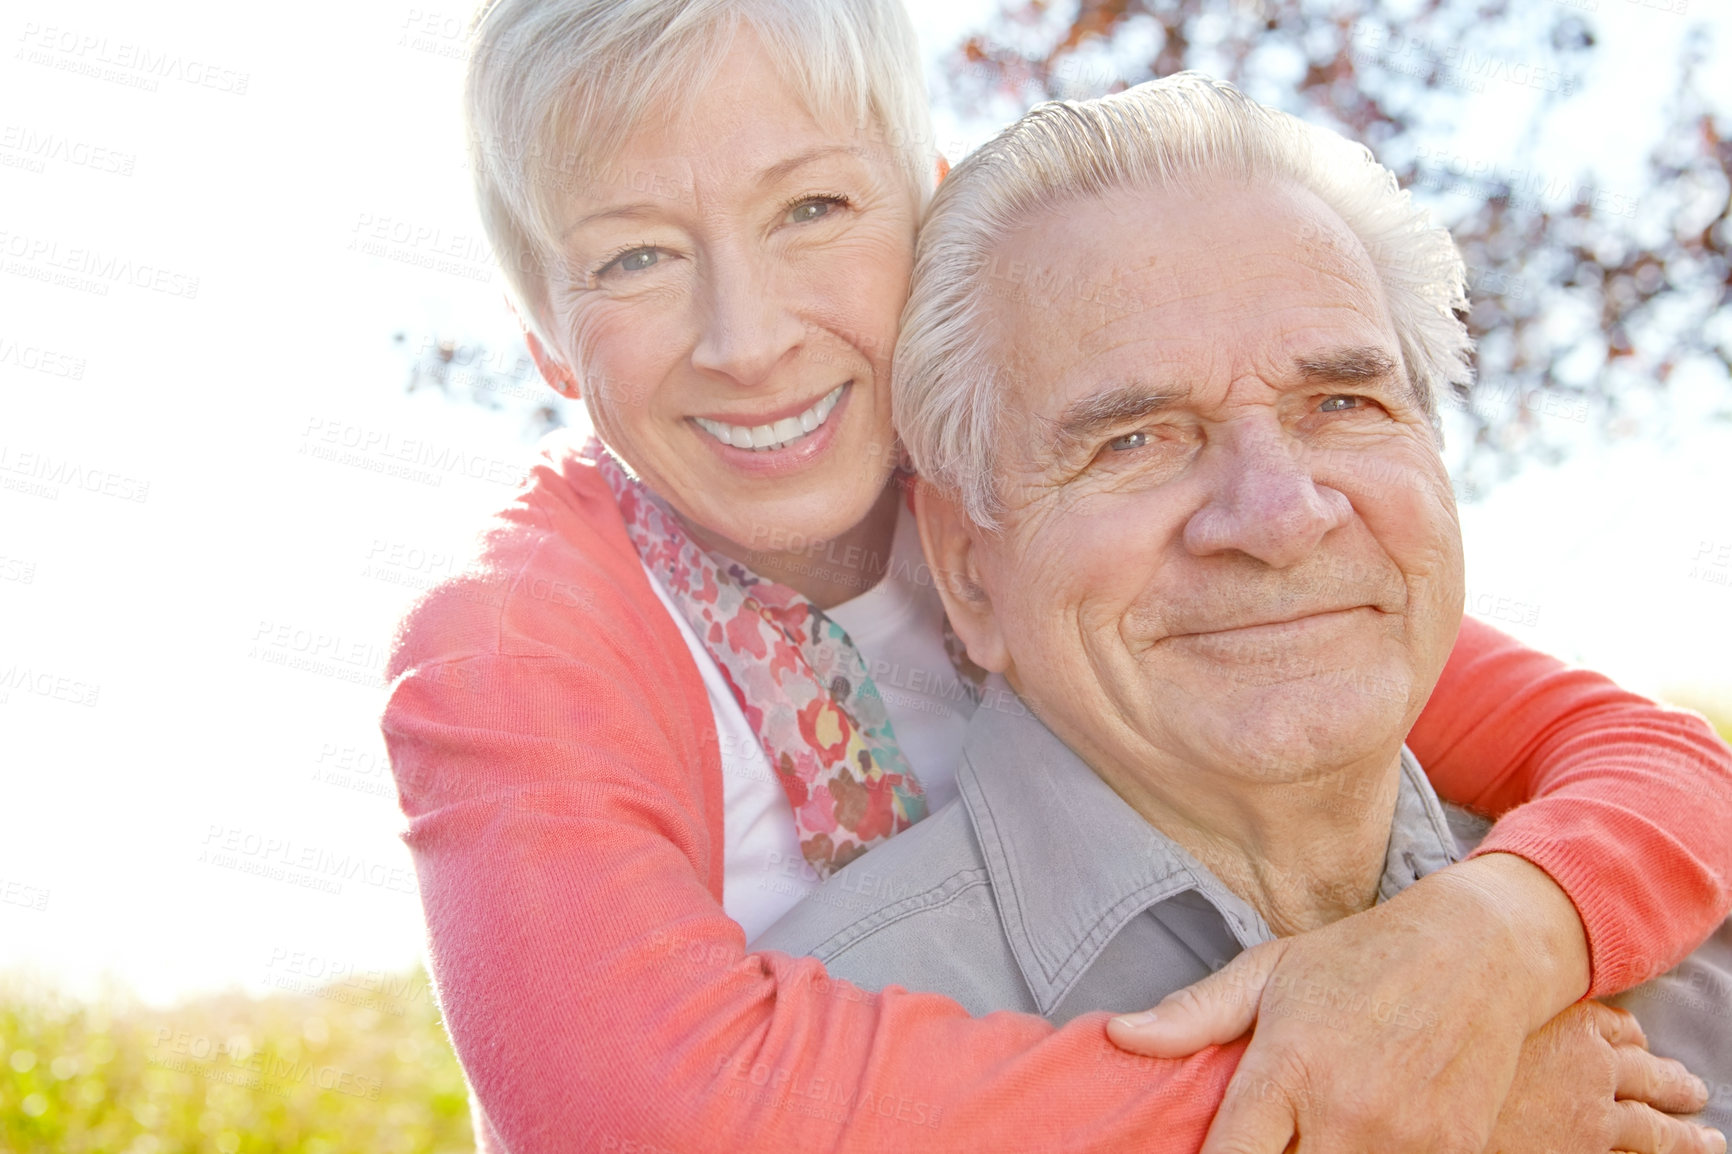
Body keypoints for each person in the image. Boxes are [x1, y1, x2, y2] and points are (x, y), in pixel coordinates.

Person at [381, 1, 1732, 1150]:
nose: (747, 336)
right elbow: (651, 1117)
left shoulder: (1080, 514)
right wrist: (1383, 1082)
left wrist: (1491, 942)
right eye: (635, 258)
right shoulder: (519, 644)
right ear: (546, 340)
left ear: (925, 207)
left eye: (812, 207)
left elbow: (1643, 759)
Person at [755, 73, 1732, 1151]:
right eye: (1132, 438)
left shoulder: (1689, 951)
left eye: (1340, 403)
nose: (1276, 515)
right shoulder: (795, 1071)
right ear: (967, 565)